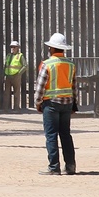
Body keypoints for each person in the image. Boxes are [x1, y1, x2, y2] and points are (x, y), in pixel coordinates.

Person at [34, 32, 77, 175]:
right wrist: (74, 104)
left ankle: (54, 167)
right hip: (67, 104)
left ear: (52, 48)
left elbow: (40, 86)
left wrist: (38, 102)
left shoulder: (47, 64)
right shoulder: (71, 64)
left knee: (51, 135)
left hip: (51, 104)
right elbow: (73, 86)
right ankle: (70, 166)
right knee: (65, 134)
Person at [2, 39, 28, 111]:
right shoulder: (8, 55)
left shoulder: (20, 56)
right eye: (11, 47)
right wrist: (4, 74)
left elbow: (25, 66)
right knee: (6, 93)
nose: (12, 48)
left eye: (14, 47)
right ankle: (5, 108)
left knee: (16, 93)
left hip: (16, 76)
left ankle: (16, 108)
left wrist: (19, 74)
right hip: (8, 76)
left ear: (17, 48)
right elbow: (6, 66)